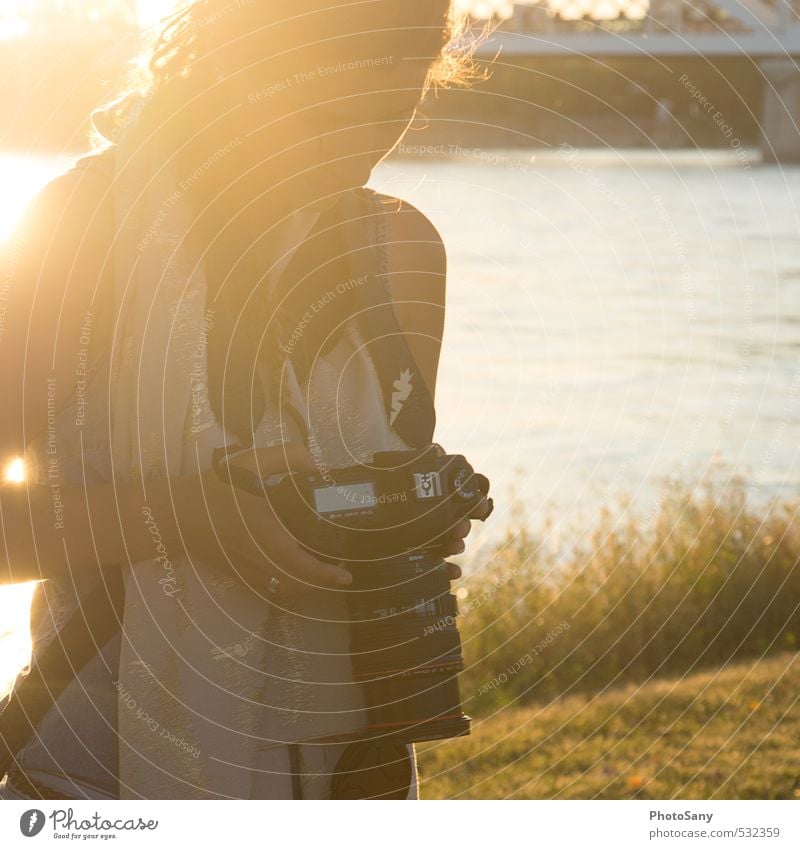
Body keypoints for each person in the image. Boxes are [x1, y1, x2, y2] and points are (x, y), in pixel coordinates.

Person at [0, 0, 487, 800]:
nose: (359, 154)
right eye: (327, 112)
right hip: (96, 779)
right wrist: (192, 516)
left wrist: (411, 509)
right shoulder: (79, 229)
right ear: (239, 61)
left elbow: (379, 492)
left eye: (394, 109)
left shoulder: (401, 251)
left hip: (358, 778)